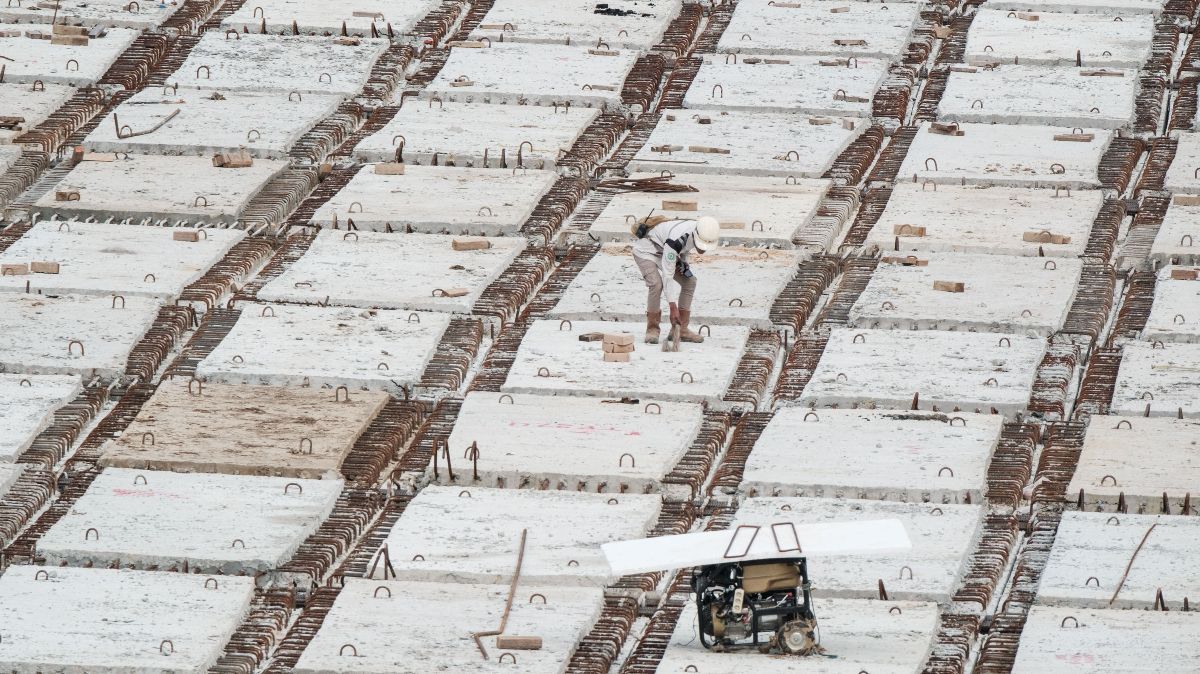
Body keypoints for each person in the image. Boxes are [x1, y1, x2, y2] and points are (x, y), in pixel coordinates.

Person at [631, 216, 720, 344]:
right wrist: (673, 307)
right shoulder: (675, 240)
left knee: (690, 282)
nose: (703, 249)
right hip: (646, 251)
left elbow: (685, 247)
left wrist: (684, 262)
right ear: (696, 234)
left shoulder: (703, 230)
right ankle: (652, 330)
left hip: (665, 250)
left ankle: (681, 330)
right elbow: (668, 275)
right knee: (656, 284)